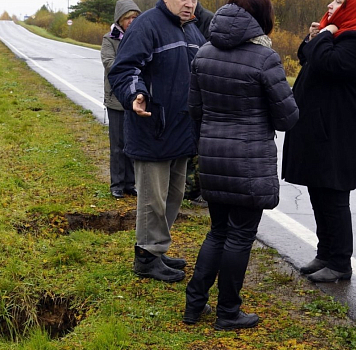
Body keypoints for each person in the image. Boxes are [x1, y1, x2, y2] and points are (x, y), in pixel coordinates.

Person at [183, 0, 299, 330]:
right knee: (240, 237)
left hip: (213, 157)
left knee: (218, 231)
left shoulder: (203, 53)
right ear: (262, 17)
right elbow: (288, 117)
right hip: (249, 163)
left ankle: (194, 306)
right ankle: (228, 312)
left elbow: (194, 109)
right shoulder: (264, 58)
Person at [281, 0, 356, 283]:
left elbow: (327, 63)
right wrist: (316, 36)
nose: (330, 4)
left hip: (342, 134)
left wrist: (324, 36)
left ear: (353, 8)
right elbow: (306, 55)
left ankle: (340, 262)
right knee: (318, 190)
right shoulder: (336, 35)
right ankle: (325, 252)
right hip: (323, 131)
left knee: (334, 195)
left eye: (339, 1)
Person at [109, 0, 206, 283]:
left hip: (182, 129)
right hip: (152, 127)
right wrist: (134, 95)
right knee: (153, 198)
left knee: (174, 196)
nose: (190, 3)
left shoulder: (192, 31)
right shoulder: (147, 24)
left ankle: (158, 250)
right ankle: (146, 257)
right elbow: (124, 70)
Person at [101, 0, 140, 199]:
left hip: (136, 98)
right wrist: (130, 65)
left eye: (135, 17)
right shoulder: (109, 39)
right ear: (120, 20)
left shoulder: (141, 37)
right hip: (116, 99)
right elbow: (109, 63)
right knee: (117, 145)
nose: (132, 21)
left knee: (131, 144)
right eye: (128, 18)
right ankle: (116, 184)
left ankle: (129, 184)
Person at [183, 2, 214, 207]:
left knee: (202, 145)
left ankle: (201, 189)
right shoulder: (179, 19)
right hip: (187, 88)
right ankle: (190, 187)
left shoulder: (207, 20)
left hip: (203, 88)